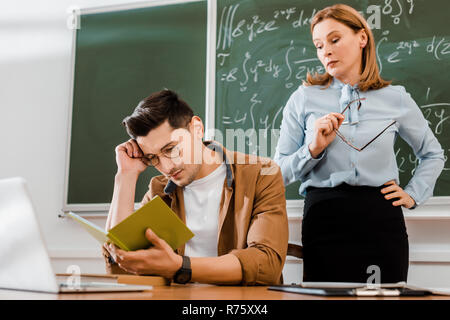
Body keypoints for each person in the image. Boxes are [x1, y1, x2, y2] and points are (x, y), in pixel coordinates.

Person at [274, 4, 444, 283]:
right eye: (318, 45)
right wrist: (312, 149)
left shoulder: (396, 98)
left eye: (334, 39)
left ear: (362, 38)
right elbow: (278, 172)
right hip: (324, 218)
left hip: (380, 219)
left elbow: (433, 154)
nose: (325, 51)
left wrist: (413, 193)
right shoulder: (303, 99)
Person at [103, 89, 288, 285]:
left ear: (197, 128)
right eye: (152, 158)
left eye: (171, 149)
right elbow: (124, 261)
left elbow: (266, 264)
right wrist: (126, 175)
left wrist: (180, 267)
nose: (166, 167)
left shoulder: (261, 173)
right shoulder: (159, 189)